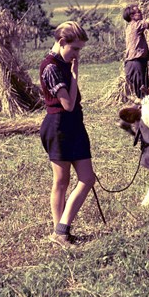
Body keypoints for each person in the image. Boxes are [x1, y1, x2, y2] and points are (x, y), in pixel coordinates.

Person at [39, 21, 95, 247]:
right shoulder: (51, 67)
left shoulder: (63, 62)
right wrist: (74, 74)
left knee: (87, 178)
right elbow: (68, 104)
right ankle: (60, 232)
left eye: (79, 49)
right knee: (61, 181)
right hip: (58, 126)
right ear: (62, 42)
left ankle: (61, 229)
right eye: (75, 49)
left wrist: (72, 70)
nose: (77, 54)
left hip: (74, 125)